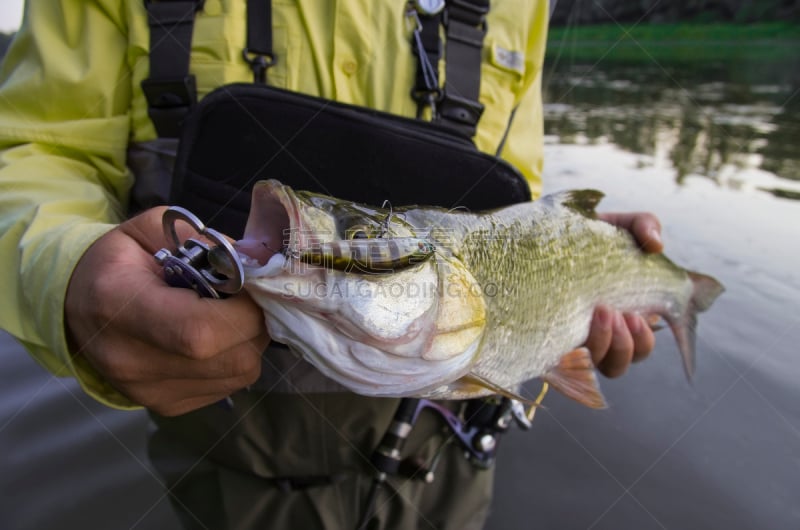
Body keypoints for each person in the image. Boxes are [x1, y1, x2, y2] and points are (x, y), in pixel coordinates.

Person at [0, 1, 661, 528]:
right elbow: (35, 151)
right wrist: (65, 273)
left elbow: (505, 204)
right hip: (231, 483)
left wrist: (582, 253)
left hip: (446, 473)